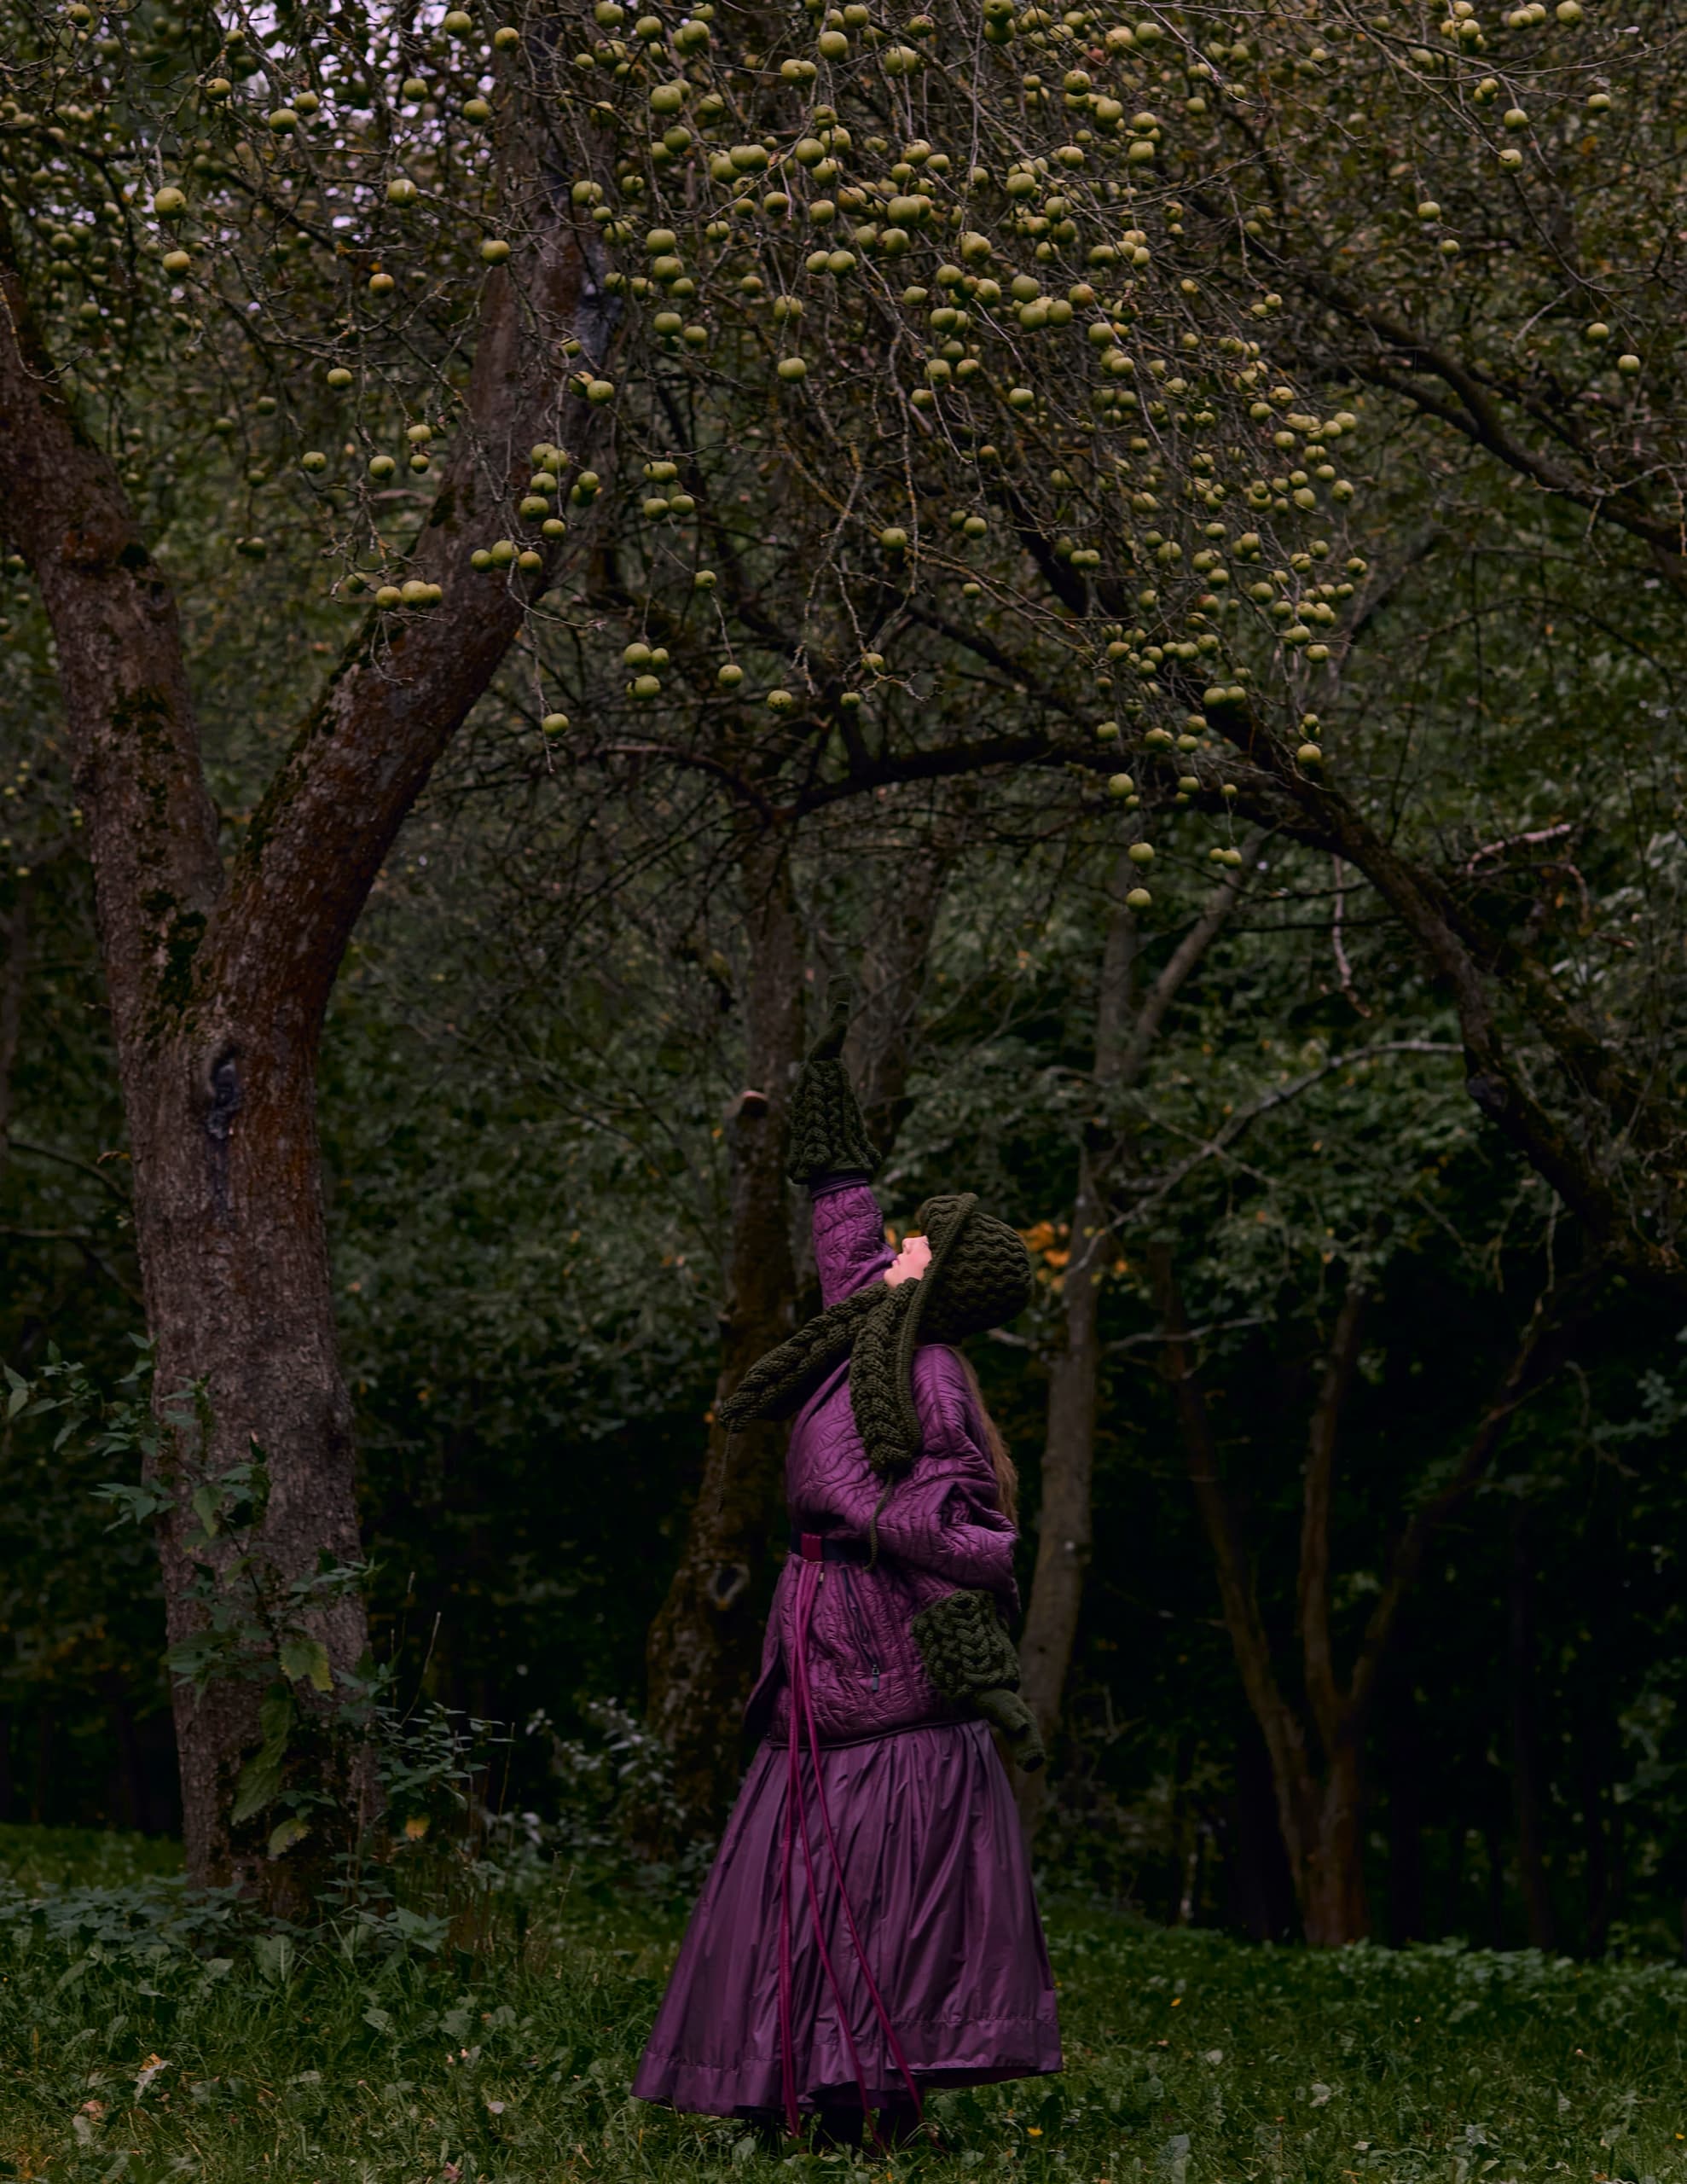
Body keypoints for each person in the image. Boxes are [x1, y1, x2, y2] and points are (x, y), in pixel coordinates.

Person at [633, 980, 1062, 2146]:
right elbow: (843, 1230)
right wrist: (820, 1100)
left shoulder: (927, 1379)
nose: (898, 1242)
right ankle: (790, 2081)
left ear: (938, 1277)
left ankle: (870, 2089)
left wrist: (864, 1510)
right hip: (819, 1634)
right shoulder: (867, 1330)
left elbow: (967, 1533)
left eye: (919, 1240)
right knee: (802, 1862)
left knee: (875, 1880)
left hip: (885, 1658)